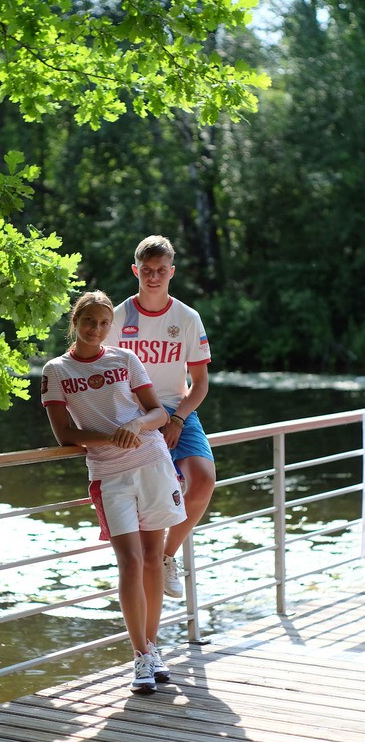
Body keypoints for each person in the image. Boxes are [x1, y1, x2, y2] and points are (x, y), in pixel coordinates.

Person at [41, 290, 187, 693]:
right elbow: (64, 432)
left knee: (154, 559)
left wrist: (137, 426)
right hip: (109, 475)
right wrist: (110, 437)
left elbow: (159, 412)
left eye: (104, 322)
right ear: (75, 321)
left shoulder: (125, 359)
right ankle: (140, 656)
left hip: (152, 464)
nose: (96, 329)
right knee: (130, 561)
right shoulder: (56, 370)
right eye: (89, 321)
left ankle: (153, 647)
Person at [106, 235, 216, 599]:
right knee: (146, 496)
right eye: (147, 271)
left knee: (201, 481)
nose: (154, 278)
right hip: (133, 413)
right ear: (136, 270)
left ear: (172, 272)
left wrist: (179, 419)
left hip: (176, 409)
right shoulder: (119, 316)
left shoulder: (187, 317)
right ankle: (144, 566)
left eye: (161, 271)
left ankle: (167, 556)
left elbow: (200, 383)